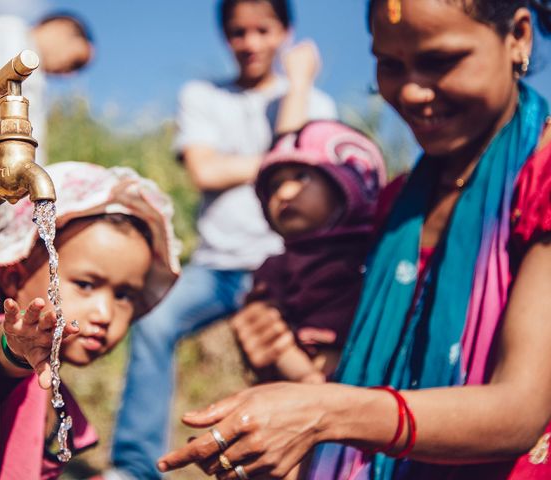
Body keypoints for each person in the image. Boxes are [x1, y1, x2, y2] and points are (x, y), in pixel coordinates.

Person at [157, 1, 551, 479]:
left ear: (519, 38)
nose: (411, 91)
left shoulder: (542, 180)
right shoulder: (394, 207)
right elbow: (358, 371)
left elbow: (519, 412)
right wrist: (277, 353)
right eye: (390, 64)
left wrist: (325, 412)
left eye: (441, 60)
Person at [108, 1, 337, 479]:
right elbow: (204, 170)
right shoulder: (202, 94)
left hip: (283, 264)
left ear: (285, 33)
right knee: (153, 323)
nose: (250, 43)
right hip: (215, 265)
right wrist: (273, 160)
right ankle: (133, 467)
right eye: (238, 32)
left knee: (283, 358)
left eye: (262, 30)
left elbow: (283, 165)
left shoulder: (314, 103)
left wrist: (297, 85)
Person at [0, 162, 181, 479]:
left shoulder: (53, 387)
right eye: (86, 284)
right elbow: (6, 353)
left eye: (124, 295)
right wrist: (18, 348)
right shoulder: (22, 345)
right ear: (15, 277)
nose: (105, 314)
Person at [232, 119, 386, 385]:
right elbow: (272, 337)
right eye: (274, 186)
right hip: (305, 381)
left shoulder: (382, 254)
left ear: (348, 184)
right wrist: (307, 378)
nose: (285, 193)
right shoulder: (277, 268)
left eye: (302, 177)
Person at [0, 12, 94, 165]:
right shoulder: (13, 32)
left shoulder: (39, 79)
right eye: (76, 63)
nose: (70, 75)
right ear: (63, 29)